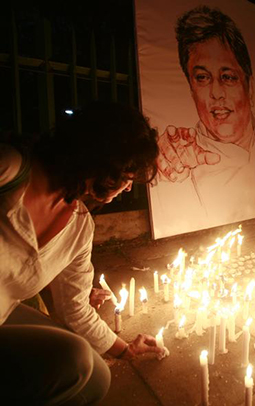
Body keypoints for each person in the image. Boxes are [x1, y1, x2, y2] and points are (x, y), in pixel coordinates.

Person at [0, 102, 164, 405]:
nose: (128, 189)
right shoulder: (9, 171)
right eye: (127, 175)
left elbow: (74, 308)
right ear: (98, 158)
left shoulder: (78, 227)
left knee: (97, 378)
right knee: (73, 359)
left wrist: (125, 349)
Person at [149, 5, 255, 234]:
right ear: (191, 89)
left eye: (228, 77)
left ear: (250, 87)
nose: (216, 93)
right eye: (202, 77)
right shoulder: (177, 164)